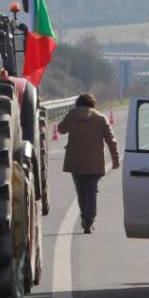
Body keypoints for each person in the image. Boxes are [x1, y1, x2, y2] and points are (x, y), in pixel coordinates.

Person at [57, 93, 120, 234]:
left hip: (76, 162)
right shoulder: (100, 118)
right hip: (95, 161)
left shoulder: (71, 116)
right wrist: (115, 160)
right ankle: (89, 220)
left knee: (81, 192)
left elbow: (61, 129)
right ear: (93, 104)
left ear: (78, 104)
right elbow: (111, 140)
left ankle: (85, 217)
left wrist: (69, 116)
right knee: (92, 191)